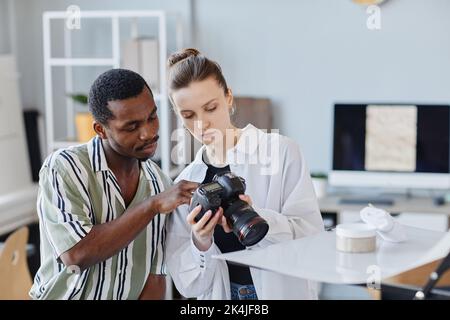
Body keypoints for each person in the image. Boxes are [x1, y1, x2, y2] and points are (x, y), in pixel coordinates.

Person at [165, 48, 324, 300]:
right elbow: (188, 286)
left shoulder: (281, 152)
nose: (201, 124)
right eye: (188, 115)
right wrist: (200, 242)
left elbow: (312, 241)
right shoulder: (185, 183)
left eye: (210, 107)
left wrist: (260, 219)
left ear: (228, 97)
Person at [29, 69, 198, 300]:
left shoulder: (159, 182)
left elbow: (155, 276)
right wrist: (152, 206)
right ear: (101, 130)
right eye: (131, 126)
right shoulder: (64, 168)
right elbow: (76, 254)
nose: (148, 133)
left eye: (152, 117)